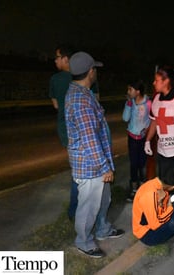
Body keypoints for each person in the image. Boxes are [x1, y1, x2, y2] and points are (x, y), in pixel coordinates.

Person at [65, 51, 125, 258]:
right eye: (95, 69)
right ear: (90, 72)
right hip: (90, 166)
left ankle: (103, 229)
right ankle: (83, 241)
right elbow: (89, 138)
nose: (96, 72)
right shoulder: (81, 100)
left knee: (103, 200)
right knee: (88, 207)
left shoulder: (82, 93)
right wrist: (104, 166)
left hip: (96, 163)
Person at [49, 44, 100, 220]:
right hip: (86, 128)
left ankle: (75, 211)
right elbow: (96, 102)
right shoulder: (86, 78)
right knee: (85, 173)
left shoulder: (55, 80)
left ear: (66, 59)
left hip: (66, 130)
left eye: (57, 57)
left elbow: (56, 105)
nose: (55, 60)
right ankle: (80, 212)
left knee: (77, 171)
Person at [132, 166, 174, 257]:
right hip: (148, 234)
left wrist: (169, 206)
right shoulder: (149, 194)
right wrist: (170, 207)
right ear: (173, 187)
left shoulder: (157, 184)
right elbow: (155, 225)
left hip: (160, 219)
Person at [122, 79, 151, 202]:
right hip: (132, 137)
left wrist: (147, 130)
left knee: (143, 164)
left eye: (130, 89)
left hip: (144, 138)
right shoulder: (131, 103)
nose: (128, 92)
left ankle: (144, 189)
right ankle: (134, 189)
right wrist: (128, 104)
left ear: (138, 91)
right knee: (134, 164)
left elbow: (152, 119)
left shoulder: (148, 103)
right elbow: (125, 118)